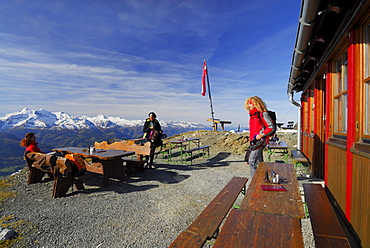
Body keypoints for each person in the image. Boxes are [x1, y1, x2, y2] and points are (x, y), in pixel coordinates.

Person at [244, 96, 275, 177]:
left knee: (252, 161)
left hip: (261, 141)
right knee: (259, 162)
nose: (249, 106)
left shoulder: (262, 114)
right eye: (248, 104)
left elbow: (271, 127)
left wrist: (261, 134)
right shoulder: (253, 115)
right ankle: (264, 178)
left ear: (256, 104)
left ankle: (255, 182)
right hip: (255, 141)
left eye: (251, 104)